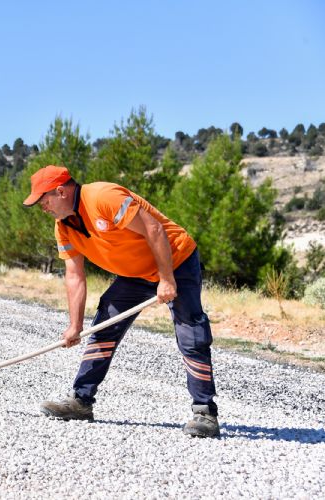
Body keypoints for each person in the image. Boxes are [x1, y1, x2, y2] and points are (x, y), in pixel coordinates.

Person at [24, 165, 219, 438]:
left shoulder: (103, 197)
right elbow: (75, 277)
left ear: (60, 191)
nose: (43, 208)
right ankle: (81, 402)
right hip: (135, 274)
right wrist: (74, 325)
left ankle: (205, 413)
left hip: (175, 261)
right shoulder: (63, 228)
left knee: (191, 332)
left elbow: (153, 229)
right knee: (103, 326)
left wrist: (166, 279)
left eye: (43, 201)